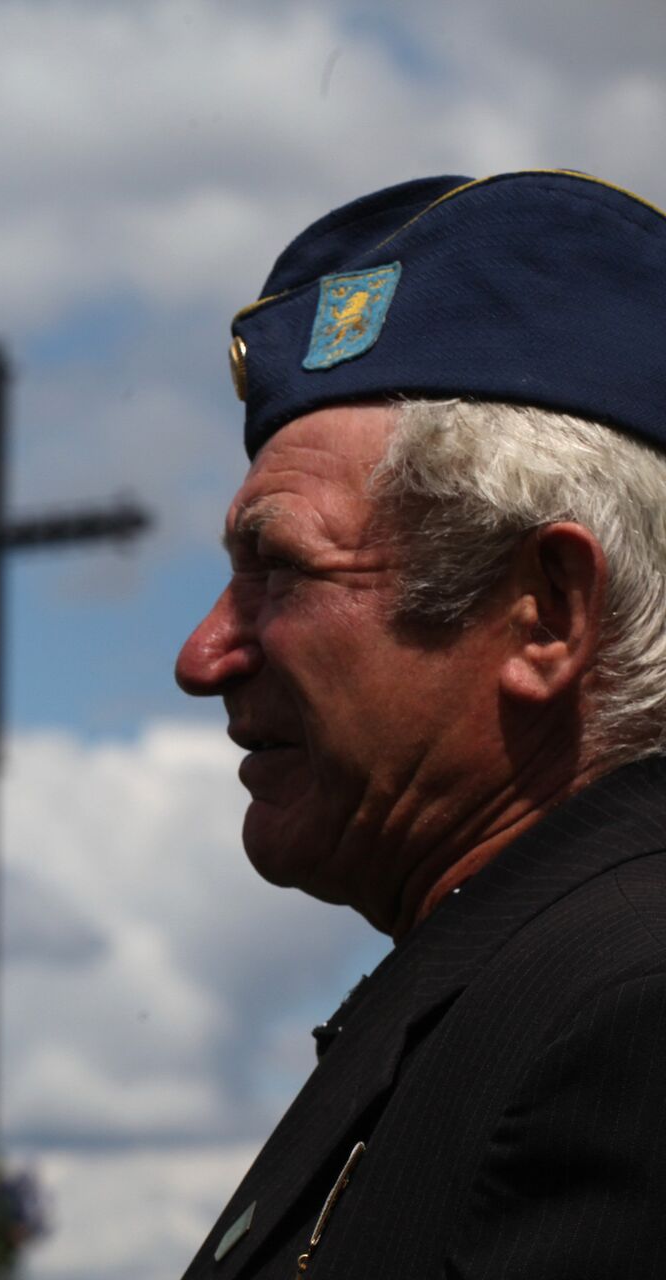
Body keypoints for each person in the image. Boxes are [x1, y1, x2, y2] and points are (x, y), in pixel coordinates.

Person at [174, 169, 666, 1277]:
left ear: (546, 612)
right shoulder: (526, 982)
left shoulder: (626, 1015)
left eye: (281, 570)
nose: (202, 656)